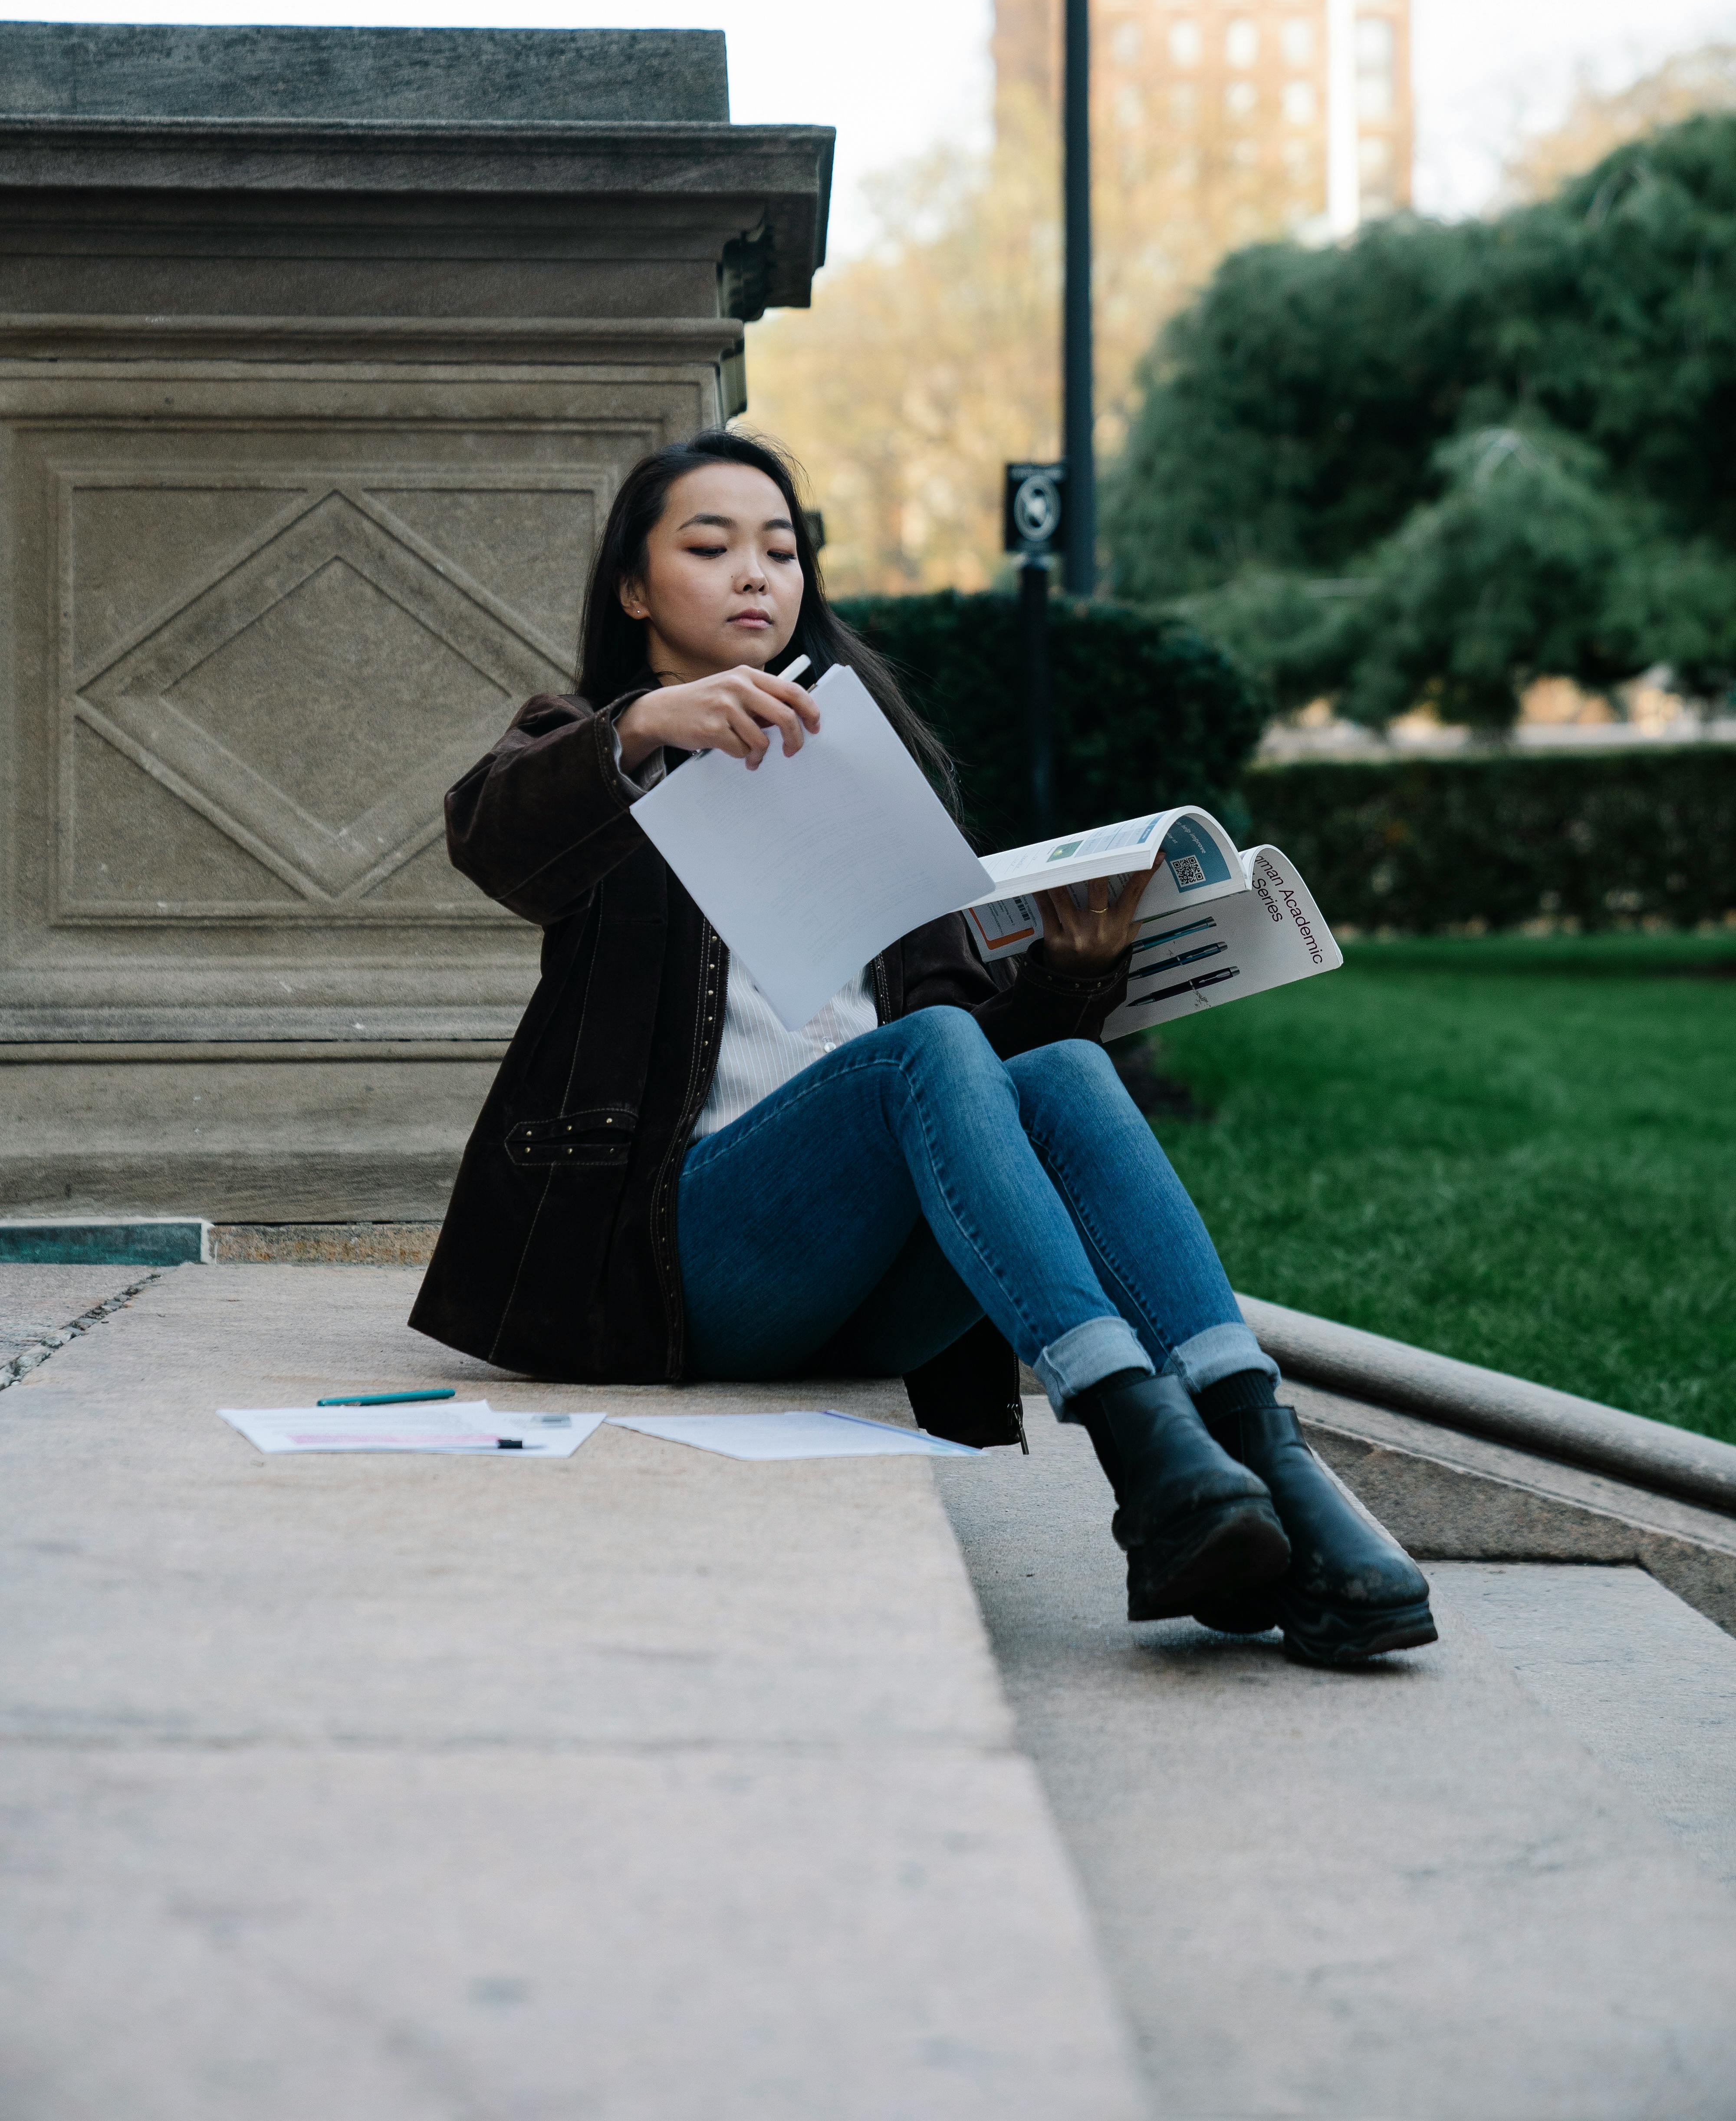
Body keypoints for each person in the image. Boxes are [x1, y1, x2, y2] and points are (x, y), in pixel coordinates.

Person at [410, 431, 1434, 1668]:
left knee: (1055, 1069)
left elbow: (976, 1094)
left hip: (862, 1278)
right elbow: (494, 841)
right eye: (711, 545)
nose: (755, 574)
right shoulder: (592, 748)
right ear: (635, 589)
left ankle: (1257, 1447)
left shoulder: (859, 760)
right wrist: (642, 730)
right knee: (926, 1049)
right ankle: (1142, 1451)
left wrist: (1075, 971)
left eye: (782, 552)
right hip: (668, 1264)